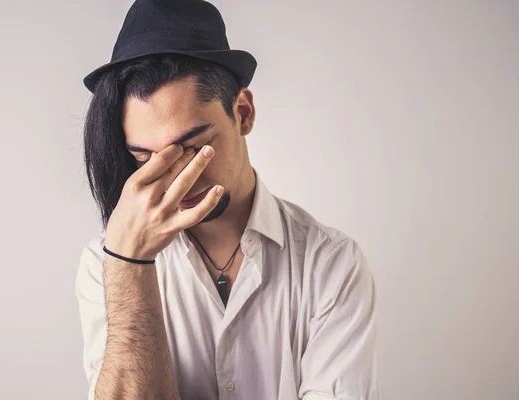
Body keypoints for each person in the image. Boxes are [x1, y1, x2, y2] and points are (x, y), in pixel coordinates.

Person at [75, 0, 378, 399]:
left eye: (194, 147)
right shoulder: (104, 265)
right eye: (145, 158)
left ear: (243, 112)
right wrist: (130, 265)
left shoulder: (330, 265)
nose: (176, 177)